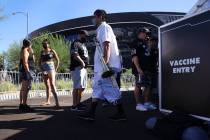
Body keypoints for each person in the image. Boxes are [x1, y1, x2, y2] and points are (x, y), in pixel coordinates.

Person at [79, 9, 126, 121]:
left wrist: (105, 63)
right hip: (102, 67)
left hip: (106, 67)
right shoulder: (101, 29)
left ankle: (121, 113)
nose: (93, 19)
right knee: (97, 89)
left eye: (94, 16)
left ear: (100, 17)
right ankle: (91, 113)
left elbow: (106, 45)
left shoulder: (104, 27)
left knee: (112, 90)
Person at [131, 28, 158, 111]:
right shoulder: (135, 42)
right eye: (146, 33)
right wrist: (138, 68)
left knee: (148, 85)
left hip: (149, 68)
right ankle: (138, 104)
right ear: (141, 33)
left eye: (148, 34)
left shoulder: (147, 42)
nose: (147, 35)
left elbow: (150, 54)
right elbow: (134, 56)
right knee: (138, 85)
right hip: (140, 69)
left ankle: (146, 102)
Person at [70, 30, 89, 111]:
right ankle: (74, 106)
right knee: (77, 87)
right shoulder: (76, 43)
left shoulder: (83, 44)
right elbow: (74, 54)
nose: (86, 37)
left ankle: (78, 103)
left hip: (83, 68)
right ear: (80, 35)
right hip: (77, 67)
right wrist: (82, 62)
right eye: (85, 35)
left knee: (82, 87)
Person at [39, 39, 60, 108]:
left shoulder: (52, 51)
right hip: (44, 68)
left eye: (45, 43)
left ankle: (57, 103)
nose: (44, 45)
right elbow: (39, 62)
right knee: (47, 86)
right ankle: (48, 101)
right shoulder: (42, 52)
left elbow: (58, 60)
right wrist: (42, 69)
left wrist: (56, 69)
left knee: (52, 84)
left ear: (48, 44)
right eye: (43, 44)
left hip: (51, 67)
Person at [19, 39, 35, 112]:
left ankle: (22, 104)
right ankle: (24, 105)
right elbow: (25, 62)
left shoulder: (25, 50)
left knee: (24, 88)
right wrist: (28, 72)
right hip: (26, 71)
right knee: (26, 88)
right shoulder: (25, 50)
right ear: (29, 44)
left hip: (26, 70)